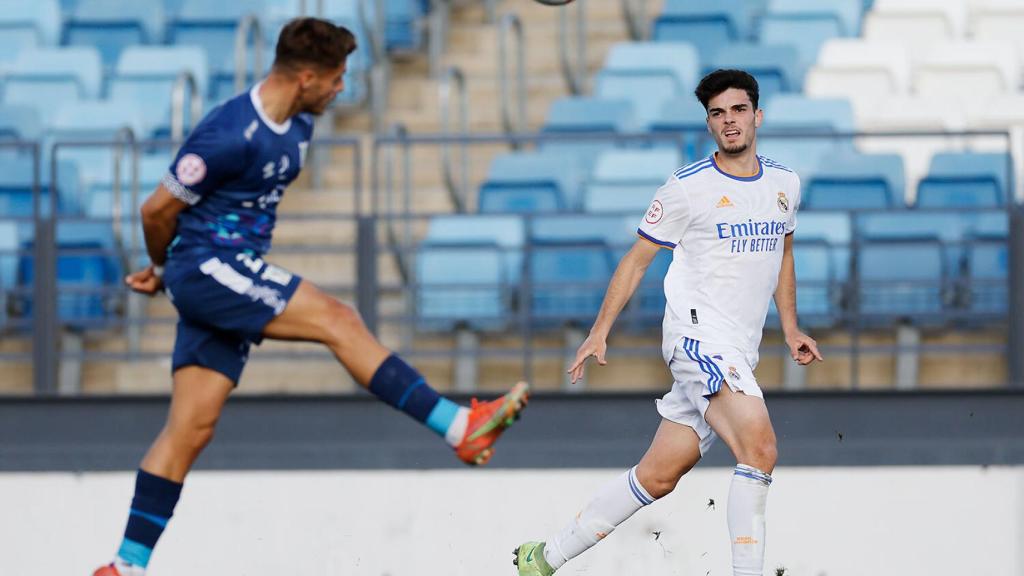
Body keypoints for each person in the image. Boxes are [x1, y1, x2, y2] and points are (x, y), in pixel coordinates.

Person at [93, 18, 528, 576]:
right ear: (305, 77)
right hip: (207, 266)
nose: (342, 87)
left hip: (226, 271)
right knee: (338, 320)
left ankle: (125, 565)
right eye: (336, 77)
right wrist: (159, 267)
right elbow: (156, 210)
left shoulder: (299, 122)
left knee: (191, 428)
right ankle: (457, 427)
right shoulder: (227, 133)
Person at [513, 69, 822, 576]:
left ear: (757, 116)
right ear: (708, 124)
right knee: (760, 448)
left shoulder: (785, 183)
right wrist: (599, 331)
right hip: (698, 338)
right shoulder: (686, 188)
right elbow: (636, 260)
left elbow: (782, 255)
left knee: (657, 476)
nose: (729, 121)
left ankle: (544, 558)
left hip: (738, 349)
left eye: (738, 110)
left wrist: (790, 328)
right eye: (718, 113)